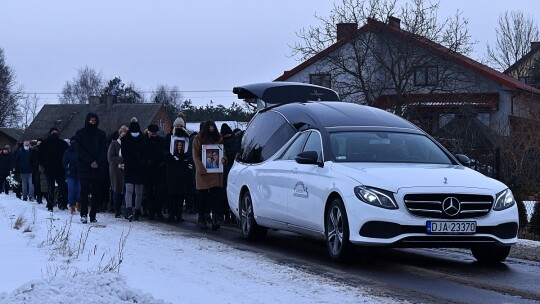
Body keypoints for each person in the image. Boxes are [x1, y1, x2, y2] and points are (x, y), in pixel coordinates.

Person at [192, 120, 227, 230]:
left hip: (215, 172)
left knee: (215, 197)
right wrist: (201, 167)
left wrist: (223, 159)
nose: (211, 130)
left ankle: (215, 219)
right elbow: (195, 155)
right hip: (204, 172)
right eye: (209, 129)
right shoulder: (198, 138)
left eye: (213, 128)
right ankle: (202, 218)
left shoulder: (219, 138)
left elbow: (223, 153)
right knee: (203, 196)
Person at [75, 113, 108, 224]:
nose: (92, 123)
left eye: (94, 121)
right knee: (84, 192)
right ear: (87, 121)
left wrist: (97, 162)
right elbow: (79, 150)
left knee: (96, 193)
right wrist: (90, 161)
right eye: (91, 121)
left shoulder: (101, 134)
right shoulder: (80, 133)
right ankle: (83, 214)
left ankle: (93, 215)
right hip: (85, 167)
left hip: (98, 168)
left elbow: (104, 150)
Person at [122, 118, 146, 222]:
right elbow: (124, 154)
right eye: (133, 132)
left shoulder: (142, 139)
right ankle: (129, 210)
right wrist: (131, 162)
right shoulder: (125, 140)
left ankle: (136, 211)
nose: (135, 133)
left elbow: (145, 153)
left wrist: (140, 161)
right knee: (129, 190)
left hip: (140, 168)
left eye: (136, 132)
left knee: (139, 191)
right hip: (129, 167)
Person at [39, 127, 68, 211]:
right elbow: (39, 156)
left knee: (62, 187)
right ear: (50, 133)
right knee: (50, 187)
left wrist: (65, 165)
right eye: (53, 132)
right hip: (49, 169)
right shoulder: (44, 143)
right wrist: (44, 165)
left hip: (60, 169)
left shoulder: (63, 143)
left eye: (56, 132)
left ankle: (62, 203)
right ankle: (50, 204)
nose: (54, 133)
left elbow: (67, 155)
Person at [165, 140, 193, 222]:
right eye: (178, 145)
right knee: (172, 196)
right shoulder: (169, 143)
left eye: (181, 145)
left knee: (180, 196)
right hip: (172, 175)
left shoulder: (185, 154)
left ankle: (179, 214)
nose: (180, 147)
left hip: (182, 175)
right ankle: (172, 214)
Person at [220, 123, 243, 223]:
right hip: (235, 170)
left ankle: (226, 215)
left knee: (224, 193)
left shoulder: (221, 142)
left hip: (225, 170)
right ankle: (234, 216)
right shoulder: (237, 140)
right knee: (234, 192)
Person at [143, 123, 166, 220]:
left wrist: (163, 162)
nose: (154, 136)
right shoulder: (143, 141)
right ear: (148, 132)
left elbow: (165, 152)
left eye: (156, 134)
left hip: (159, 170)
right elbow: (140, 153)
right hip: (147, 170)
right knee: (148, 193)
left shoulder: (161, 140)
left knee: (159, 192)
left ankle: (158, 210)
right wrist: (146, 161)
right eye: (152, 133)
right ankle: (150, 211)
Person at [108, 126, 128, 219]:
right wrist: (122, 160)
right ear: (120, 134)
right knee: (117, 190)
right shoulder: (114, 144)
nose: (124, 134)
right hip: (116, 170)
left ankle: (125, 211)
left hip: (126, 170)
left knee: (125, 191)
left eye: (125, 133)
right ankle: (117, 210)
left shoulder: (128, 144)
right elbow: (110, 157)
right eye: (122, 133)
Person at [62, 137, 80, 214]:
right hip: (70, 174)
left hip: (80, 173)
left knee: (80, 191)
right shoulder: (67, 152)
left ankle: (79, 204)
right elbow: (64, 162)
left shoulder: (81, 150)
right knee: (71, 190)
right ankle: (72, 206)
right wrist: (68, 167)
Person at [29, 139, 44, 204]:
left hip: (43, 170)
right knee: (36, 184)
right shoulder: (33, 151)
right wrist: (32, 169)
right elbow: (30, 161)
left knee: (42, 184)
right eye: (38, 143)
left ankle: (41, 197)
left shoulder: (45, 150)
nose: (39, 144)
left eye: (40, 143)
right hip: (35, 170)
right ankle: (38, 197)